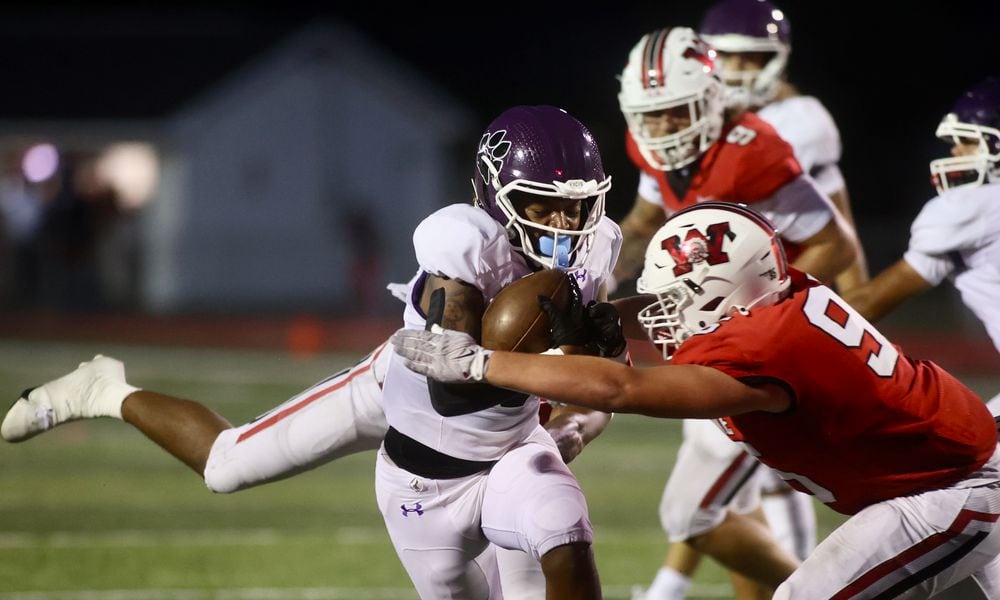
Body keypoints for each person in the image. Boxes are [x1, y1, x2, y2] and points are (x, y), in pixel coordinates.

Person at [1, 105, 621, 600]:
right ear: (495, 195)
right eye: (543, 203)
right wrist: (554, 372)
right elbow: (452, 389)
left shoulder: (599, 251)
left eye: (578, 204)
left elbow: (607, 386)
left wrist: (572, 418)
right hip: (403, 393)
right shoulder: (462, 247)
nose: (565, 223)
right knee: (226, 466)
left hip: (504, 444)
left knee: (554, 541)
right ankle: (105, 388)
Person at [391, 201, 1000, 599]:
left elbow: (623, 388)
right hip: (941, 465)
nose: (662, 314)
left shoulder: (762, 352)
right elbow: (676, 317)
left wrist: (484, 362)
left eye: (674, 301)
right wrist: (605, 319)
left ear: (725, 297)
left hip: (954, 488)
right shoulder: (777, 295)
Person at [612, 25, 859, 599]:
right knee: (731, 502)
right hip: (711, 342)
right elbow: (644, 224)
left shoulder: (752, 153)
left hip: (759, 351)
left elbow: (836, 245)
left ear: (710, 99)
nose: (664, 129)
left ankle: (836, 591)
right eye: (652, 116)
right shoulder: (650, 144)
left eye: (677, 113)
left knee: (694, 512)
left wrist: (759, 311)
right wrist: (596, 274)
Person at [841, 76, 1000, 416]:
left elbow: (866, 304)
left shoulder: (971, 207)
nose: (956, 153)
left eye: (969, 142)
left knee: (971, 466)